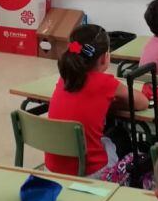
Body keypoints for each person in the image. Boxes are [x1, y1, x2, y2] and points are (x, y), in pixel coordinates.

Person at [45, 24, 148, 177]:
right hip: (90, 171)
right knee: (121, 136)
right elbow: (142, 102)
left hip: (53, 168)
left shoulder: (64, 79)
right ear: (103, 57)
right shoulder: (105, 83)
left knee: (108, 131)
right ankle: (125, 180)